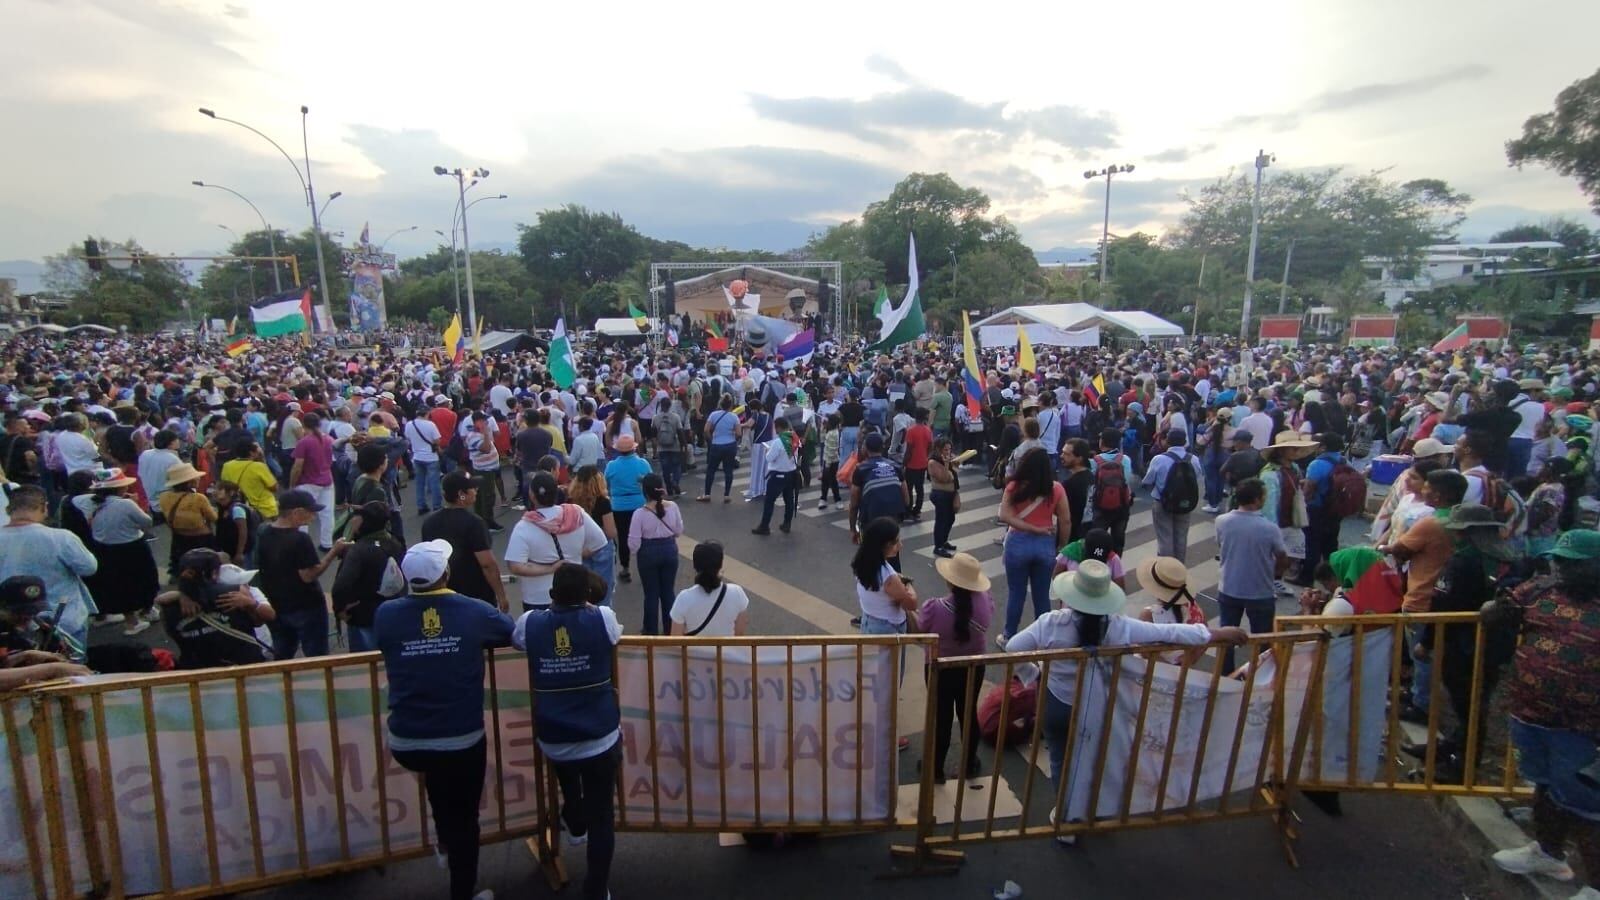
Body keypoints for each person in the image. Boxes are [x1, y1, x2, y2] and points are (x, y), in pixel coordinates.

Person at [1004, 562, 1246, 843]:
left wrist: (1033, 675)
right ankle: (1090, 812)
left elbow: (1013, 648)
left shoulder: (1051, 623)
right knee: (1091, 759)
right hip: (1096, 704)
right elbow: (1167, 634)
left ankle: (1066, 819)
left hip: (1057, 702)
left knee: (1059, 759)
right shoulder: (1117, 627)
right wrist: (1216, 633)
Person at [375, 538, 513, 900]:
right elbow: (508, 630)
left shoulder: (387, 614)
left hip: (406, 738)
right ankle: (462, 889)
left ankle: (444, 841)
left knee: (439, 789)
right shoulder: (472, 610)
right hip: (459, 737)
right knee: (465, 817)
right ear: (446, 572)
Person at [1488, 529, 1600, 892]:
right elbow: (1495, 612)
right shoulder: (1541, 591)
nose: (1564, 570)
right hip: (1530, 713)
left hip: (1581, 726)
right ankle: (1548, 854)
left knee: (1585, 805)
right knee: (1546, 788)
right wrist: (1497, 610)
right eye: (1560, 562)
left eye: (1574, 565)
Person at [513, 563, 622, 900]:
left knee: (567, 774)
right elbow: (615, 634)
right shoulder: (601, 617)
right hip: (600, 733)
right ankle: (596, 889)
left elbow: (516, 641)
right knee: (602, 813)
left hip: (554, 733)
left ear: (550, 595)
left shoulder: (530, 623)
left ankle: (574, 820)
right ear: (588, 595)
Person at [1406, 503, 1515, 781]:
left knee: (1467, 704)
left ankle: (1462, 765)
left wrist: (1426, 642)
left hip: (1460, 643)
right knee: (1474, 702)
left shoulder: (1464, 560)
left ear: (1465, 532)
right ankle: (1451, 747)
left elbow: (1443, 603)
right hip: (1493, 643)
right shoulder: (1508, 558)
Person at [1379, 469, 1469, 724]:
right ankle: (1420, 697)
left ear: (1439, 495)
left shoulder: (1431, 523)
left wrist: (1383, 547)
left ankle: (1421, 705)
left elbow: (1400, 549)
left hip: (1422, 595)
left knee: (1421, 653)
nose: (1422, 490)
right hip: (1444, 596)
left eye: (1427, 486)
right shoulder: (1459, 520)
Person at [918, 551, 994, 784]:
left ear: (950, 580)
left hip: (940, 668)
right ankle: (969, 763)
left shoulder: (934, 608)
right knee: (968, 712)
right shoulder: (985, 601)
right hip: (974, 666)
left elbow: (921, 633)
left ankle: (935, 769)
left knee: (941, 717)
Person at [0, 485, 96, 661]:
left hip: (13, 622)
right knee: (74, 671)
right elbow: (89, 567)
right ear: (44, 507)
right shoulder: (61, 537)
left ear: (8, 509)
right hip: (66, 618)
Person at [258, 488, 351, 659]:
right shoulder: (300, 539)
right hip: (306, 606)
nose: (313, 517)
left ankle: (285, 683)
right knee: (317, 656)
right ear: (297, 512)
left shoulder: (264, 533)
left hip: (277, 604)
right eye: (311, 512)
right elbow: (308, 575)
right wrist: (333, 552)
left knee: (282, 652)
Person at [1214, 477, 1289, 671]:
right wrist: (1275, 574)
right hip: (1260, 591)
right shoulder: (1270, 528)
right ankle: (1261, 675)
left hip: (1229, 587)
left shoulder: (1222, 521)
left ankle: (1225, 675)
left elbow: (1220, 544)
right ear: (1257, 500)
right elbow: (1282, 556)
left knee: (1226, 636)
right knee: (1263, 639)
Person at [506, 472, 609, 612]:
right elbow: (600, 541)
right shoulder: (576, 513)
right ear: (557, 491)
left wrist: (551, 569)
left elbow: (516, 566)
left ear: (532, 495)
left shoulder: (524, 526)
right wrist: (577, 556)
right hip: (575, 592)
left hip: (538, 596)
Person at [155, 548, 275, 668]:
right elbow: (258, 622)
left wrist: (182, 594)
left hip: (199, 671)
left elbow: (172, 633)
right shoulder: (235, 593)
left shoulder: (169, 604)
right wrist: (250, 604)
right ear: (214, 573)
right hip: (244, 665)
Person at [999, 448, 1071, 645]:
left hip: (1017, 542)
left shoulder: (1014, 486)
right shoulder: (1056, 489)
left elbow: (1004, 516)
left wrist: (1030, 527)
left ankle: (1009, 636)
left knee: (1016, 592)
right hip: (1045, 544)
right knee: (1042, 595)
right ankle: (1044, 638)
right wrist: (1062, 547)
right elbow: (1065, 520)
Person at [76, 467, 160, 636]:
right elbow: (147, 522)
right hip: (132, 547)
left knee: (120, 585)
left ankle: (131, 621)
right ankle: (146, 610)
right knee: (145, 579)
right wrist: (136, 503)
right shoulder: (126, 504)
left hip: (105, 549)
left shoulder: (89, 504)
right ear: (120, 487)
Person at [421, 471, 509, 612]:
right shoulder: (475, 523)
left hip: (444, 596)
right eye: (472, 488)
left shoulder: (429, 523)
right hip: (476, 597)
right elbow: (487, 564)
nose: (476, 490)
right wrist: (501, 595)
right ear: (462, 494)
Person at [332, 501, 407, 652]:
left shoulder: (358, 550)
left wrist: (339, 609)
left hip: (363, 615)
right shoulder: (395, 542)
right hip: (393, 611)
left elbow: (341, 585)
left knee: (365, 664)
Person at [629, 473, 683, 634]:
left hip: (648, 553)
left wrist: (635, 553)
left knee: (651, 594)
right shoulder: (672, 507)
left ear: (644, 492)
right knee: (668, 592)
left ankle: (650, 630)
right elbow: (679, 531)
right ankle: (670, 629)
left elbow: (633, 543)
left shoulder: (639, 514)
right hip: (669, 550)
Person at [1141, 428, 1204, 562]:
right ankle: (1179, 569)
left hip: (1162, 502)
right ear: (1185, 442)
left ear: (1167, 441)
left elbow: (1148, 480)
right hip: (1186, 503)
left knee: (1165, 537)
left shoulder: (1159, 459)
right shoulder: (1194, 459)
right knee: (1181, 537)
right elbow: (1197, 477)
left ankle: (1166, 570)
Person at [852, 516, 918, 637]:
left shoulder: (862, 562)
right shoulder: (888, 576)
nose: (900, 545)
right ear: (885, 545)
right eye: (896, 542)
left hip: (869, 620)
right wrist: (907, 584)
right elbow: (911, 604)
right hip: (888, 629)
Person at [670, 541, 751, 636]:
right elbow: (739, 633)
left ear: (695, 567)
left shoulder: (683, 598)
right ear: (720, 565)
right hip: (726, 651)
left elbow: (675, 640)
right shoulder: (737, 592)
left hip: (694, 651)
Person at [604, 433, 651, 583]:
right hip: (640, 504)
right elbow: (651, 482)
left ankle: (625, 568)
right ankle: (645, 566)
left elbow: (606, 485)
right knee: (643, 537)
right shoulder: (643, 464)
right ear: (634, 449)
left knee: (623, 538)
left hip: (618, 506)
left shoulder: (611, 466)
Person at [289, 412, 338, 550]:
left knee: (302, 515)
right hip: (326, 479)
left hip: (307, 482)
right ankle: (327, 543)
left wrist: (292, 484)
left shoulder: (304, 442)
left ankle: (302, 545)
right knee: (327, 514)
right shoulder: (328, 439)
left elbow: (297, 466)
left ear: (304, 424)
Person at [848, 433, 908, 544]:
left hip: (871, 519)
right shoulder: (895, 466)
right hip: (893, 517)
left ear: (865, 448)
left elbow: (854, 504)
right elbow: (906, 497)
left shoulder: (861, 469)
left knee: (871, 554)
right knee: (892, 552)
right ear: (883, 447)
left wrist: (853, 529)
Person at [157, 462, 214, 576]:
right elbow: (213, 517)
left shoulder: (164, 497)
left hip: (178, 537)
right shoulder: (198, 498)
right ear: (190, 482)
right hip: (201, 538)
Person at [1089, 427, 1136, 553]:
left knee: (1097, 539)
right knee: (1118, 540)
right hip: (1122, 505)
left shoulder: (1094, 461)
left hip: (1100, 506)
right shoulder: (1125, 459)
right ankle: (1116, 566)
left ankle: (1098, 564)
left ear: (1102, 442)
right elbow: (1127, 480)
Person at [752, 416, 799, 535]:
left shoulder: (778, 442)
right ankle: (787, 524)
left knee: (769, 501)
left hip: (778, 475)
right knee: (789, 500)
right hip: (791, 472)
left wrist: (768, 451)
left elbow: (769, 458)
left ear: (778, 427)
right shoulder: (794, 438)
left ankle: (764, 526)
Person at [220, 441, 279, 521]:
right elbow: (274, 487)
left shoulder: (227, 466)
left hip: (238, 509)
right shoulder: (259, 466)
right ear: (251, 453)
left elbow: (224, 485)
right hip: (264, 510)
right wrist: (262, 459)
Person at [697, 395, 741, 503]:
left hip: (716, 445)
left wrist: (711, 441)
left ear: (720, 404)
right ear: (731, 405)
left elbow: (706, 430)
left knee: (711, 470)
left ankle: (707, 494)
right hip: (730, 445)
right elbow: (739, 433)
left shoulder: (713, 415)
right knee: (728, 471)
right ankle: (726, 495)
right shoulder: (734, 417)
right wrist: (733, 439)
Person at [405, 409, 445, 515]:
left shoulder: (409, 424)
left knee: (419, 483)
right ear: (427, 414)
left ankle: (421, 506)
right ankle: (437, 506)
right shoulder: (430, 425)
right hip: (431, 457)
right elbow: (437, 440)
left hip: (417, 457)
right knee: (434, 483)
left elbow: (407, 437)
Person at [928, 437, 962, 558]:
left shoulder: (947, 459)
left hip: (950, 494)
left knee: (950, 518)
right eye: (945, 449)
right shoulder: (933, 462)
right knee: (941, 520)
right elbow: (944, 478)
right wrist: (947, 464)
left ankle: (944, 541)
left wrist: (955, 463)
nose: (948, 452)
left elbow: (955, 475)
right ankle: (938, 546)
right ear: (938, 449)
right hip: (940, 494)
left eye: (949, 449)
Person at [818, 413, 843, 511]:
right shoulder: (830, 431)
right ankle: (824, 499)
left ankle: (837, 500)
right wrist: (823, 429)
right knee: (825, 481)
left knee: (832, 481)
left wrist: (827, 464)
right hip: (827, 460)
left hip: (832, 461)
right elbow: (822, 439)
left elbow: (832, 450)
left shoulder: (834, 434)